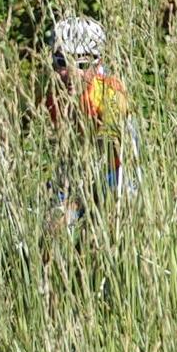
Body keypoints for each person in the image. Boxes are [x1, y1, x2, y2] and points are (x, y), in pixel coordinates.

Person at [44, 14, 136, 219]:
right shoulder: (48, 93)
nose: (72, 73)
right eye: (62, 62)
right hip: (73, 173)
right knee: (55, 223)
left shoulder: (110, 94)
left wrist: (79, 201)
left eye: (82, 64)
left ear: (98, 63)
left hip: (115, 175)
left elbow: (116, 159)